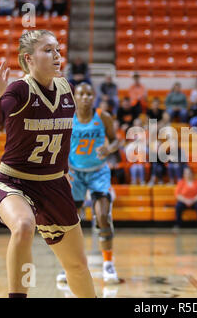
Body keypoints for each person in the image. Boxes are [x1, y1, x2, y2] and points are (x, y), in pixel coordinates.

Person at [0, 30, 96, 298]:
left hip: (53, 185)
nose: (56, 55)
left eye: (57, 49)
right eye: (48, 50)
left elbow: (64, 136)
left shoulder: (67, 89)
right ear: (29, 58)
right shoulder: (20, 89)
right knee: (23, 225)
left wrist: (64, 170)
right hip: (14, 182)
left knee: (77, 266)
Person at [56, 82, 120, 284]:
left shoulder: (103, 117)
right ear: (75, 97)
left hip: (98, 172)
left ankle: (108, 264)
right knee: (70, 222)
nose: (85, 97)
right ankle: (69, 265)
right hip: (75, 174)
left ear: (94, 97)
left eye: (89, 94)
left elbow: (116, 140)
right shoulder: (68, 118)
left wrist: (110, 149)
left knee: (102, 216)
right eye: (81, 94)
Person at [174, 167, 197, 233]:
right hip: (184, 201)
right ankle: (177, 225)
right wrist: (185, 200)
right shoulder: (181, 182)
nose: (187, 174)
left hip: (194, 201)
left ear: (192, 173)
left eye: (189, 173)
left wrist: (193, 200)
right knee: (178, 206)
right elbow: (177, 195)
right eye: (186, 173)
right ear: (183, 174)